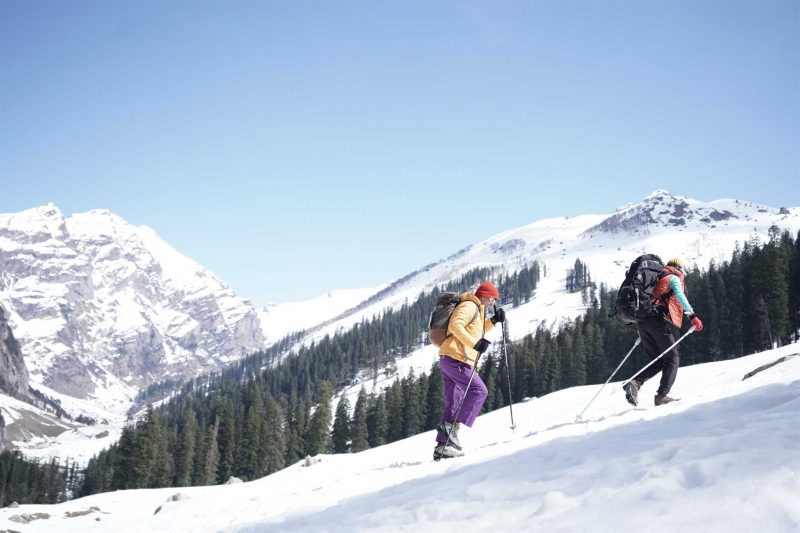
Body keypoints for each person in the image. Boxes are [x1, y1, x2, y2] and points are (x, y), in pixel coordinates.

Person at [434, 281, 505, 459]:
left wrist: (494, 321)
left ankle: (443, 447)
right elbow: (455, 327)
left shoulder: (477, 309)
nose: (492, 305)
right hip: (456, 358)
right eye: (492, 301)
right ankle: (452, 428)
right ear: (487, 296)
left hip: (451, 358)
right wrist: (475, 344)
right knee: (479, 390)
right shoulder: (469, 305)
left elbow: (476, 332)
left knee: (453, 402)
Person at [623, 258, 703, 407]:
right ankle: (662, 396)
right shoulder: (673, 277)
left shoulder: (653, 278)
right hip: (655, 322)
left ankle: (634, 383)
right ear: (679, 268)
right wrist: (692, 316)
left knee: (659, 360)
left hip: (642, 323)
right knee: (672, 359)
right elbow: (680, 295)